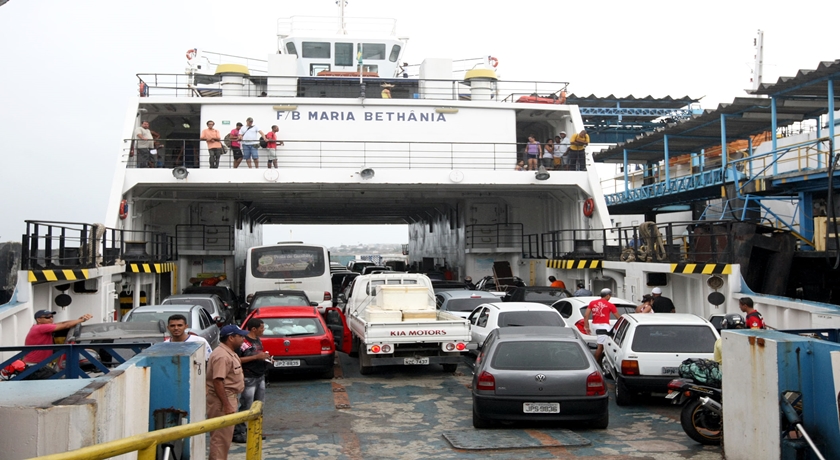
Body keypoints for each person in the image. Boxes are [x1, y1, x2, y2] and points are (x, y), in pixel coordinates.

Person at [206, 325, 248, 460]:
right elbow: (218, 381)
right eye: (240, 336)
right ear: (231, 337)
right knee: (220, 439)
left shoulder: (229, 352)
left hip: (228, 398)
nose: (243, 339)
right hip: (222, 400)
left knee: (225, 438)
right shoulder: (222, 356)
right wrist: (227, 405)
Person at [232, 318, 272, 443]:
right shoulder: (243, 343)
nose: (263, 330)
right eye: (261, 328)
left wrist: (266, 359)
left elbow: (258, 356)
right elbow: (236, 359)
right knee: (246, 405)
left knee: (259, 405)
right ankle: (239, 432)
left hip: (260, 376)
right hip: (249, 377)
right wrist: (256, 357)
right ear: (254, 329)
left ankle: (255, 430)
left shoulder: (258, 340)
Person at [24, 310, 93, 379]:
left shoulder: (42, 327)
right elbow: (66, 325)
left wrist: (78, 320)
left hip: (41, 364)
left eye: (52, 316)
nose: (51, 319)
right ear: (38, 320)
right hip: (34, 365)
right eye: (47, 317)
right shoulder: (41, 328)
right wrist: (82, 320)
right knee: (57, 381)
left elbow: (63, 323)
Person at [583, 288, 621, 364]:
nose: (610, 297)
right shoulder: (610, 305)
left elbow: (586, 315)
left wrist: (586, 326)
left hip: (595, 325)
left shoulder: (592, 303)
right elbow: (618, 317)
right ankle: (595, 364)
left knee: (603, 345)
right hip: (603, 327)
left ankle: (599, 361)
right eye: (610, 295)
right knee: (601, 346)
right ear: (607, 296)